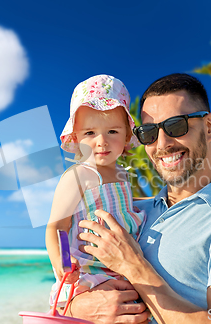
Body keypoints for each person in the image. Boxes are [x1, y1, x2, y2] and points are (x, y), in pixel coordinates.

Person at [68, 73, 211, 324]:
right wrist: (76, 308)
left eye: (176, 125)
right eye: (149, 133)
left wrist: (133, 266)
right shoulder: (130, 210)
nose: (162, 143)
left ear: (209, 127)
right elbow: (71, 280)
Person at [46, 74, 146, 307]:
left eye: (112, 131)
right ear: (76, 137)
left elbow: (124, 207)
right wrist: (62, 262)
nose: (102, 142)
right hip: (90, 274)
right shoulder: (78, 176)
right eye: (90, 133)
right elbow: (56, 225)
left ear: (127, 135)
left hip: (125, 268)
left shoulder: (123, 174)